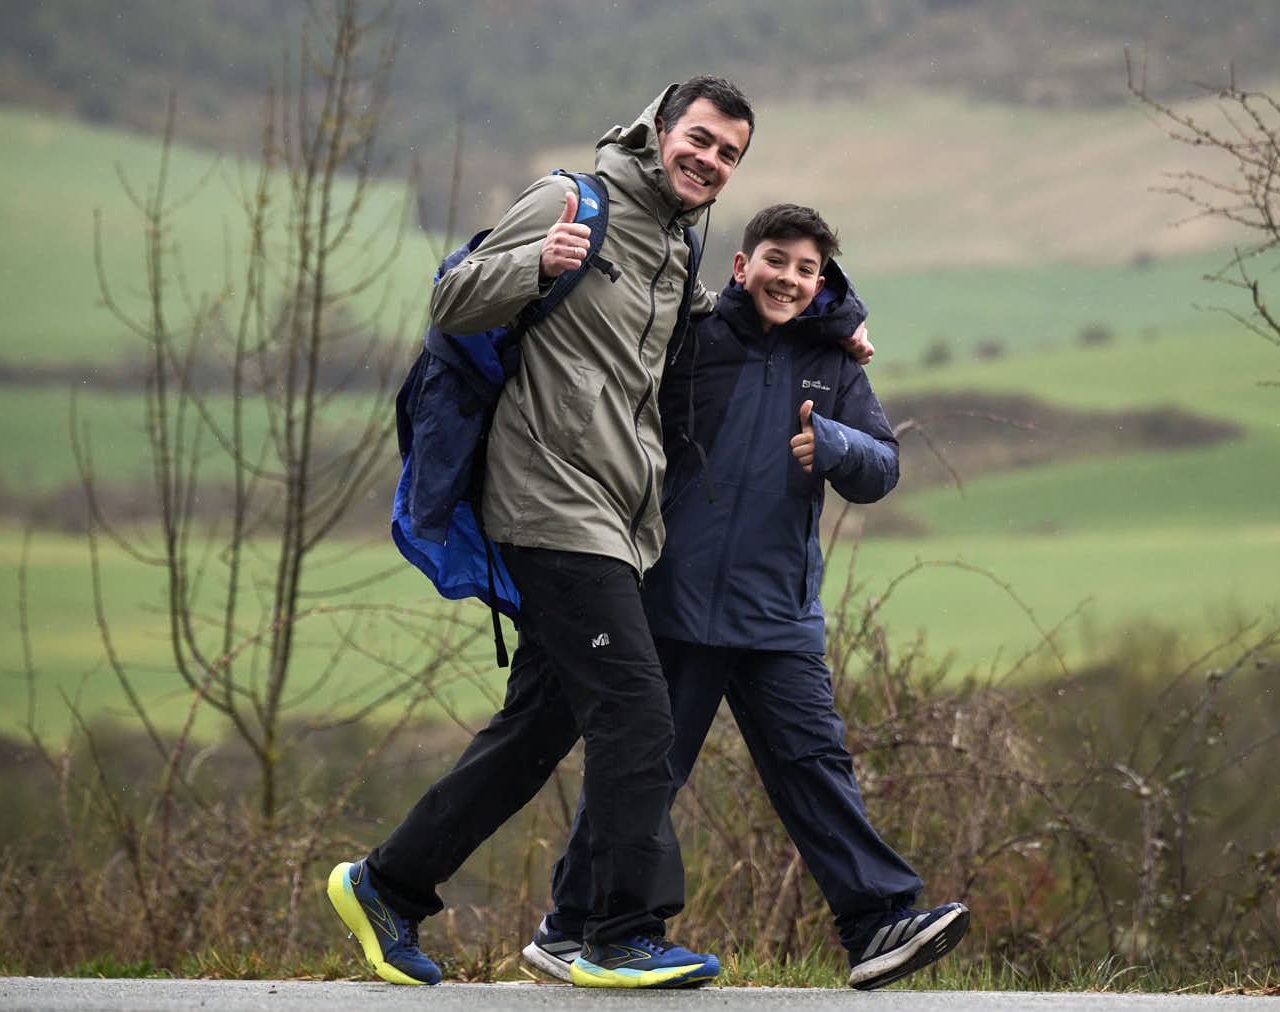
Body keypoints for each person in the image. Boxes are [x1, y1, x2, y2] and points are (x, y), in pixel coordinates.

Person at [326, 76, 755, 990]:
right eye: (701, 139)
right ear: (660, 128)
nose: (710, 161)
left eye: (728, 154)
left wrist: (832, 313)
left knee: (537, 729)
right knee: (639, 713)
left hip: (618, 517)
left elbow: (706, 348)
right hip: (548, 503)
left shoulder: (672, 255)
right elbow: (451, 300)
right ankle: (616, 935)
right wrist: (535, 266)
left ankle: (388, 886)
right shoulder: (573, 201)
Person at [519, 204, 971, 990]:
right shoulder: (692, 341)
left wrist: (833, 443)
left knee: (814, 764)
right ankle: (570, 929)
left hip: (778, 616)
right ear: (740, 265)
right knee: (646, 772)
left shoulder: (834, 366)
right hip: (675, 604)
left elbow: (882, 467)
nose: (789, 279)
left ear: (821, 280)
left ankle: (876, 926)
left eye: (806, 269)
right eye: (776, 260)